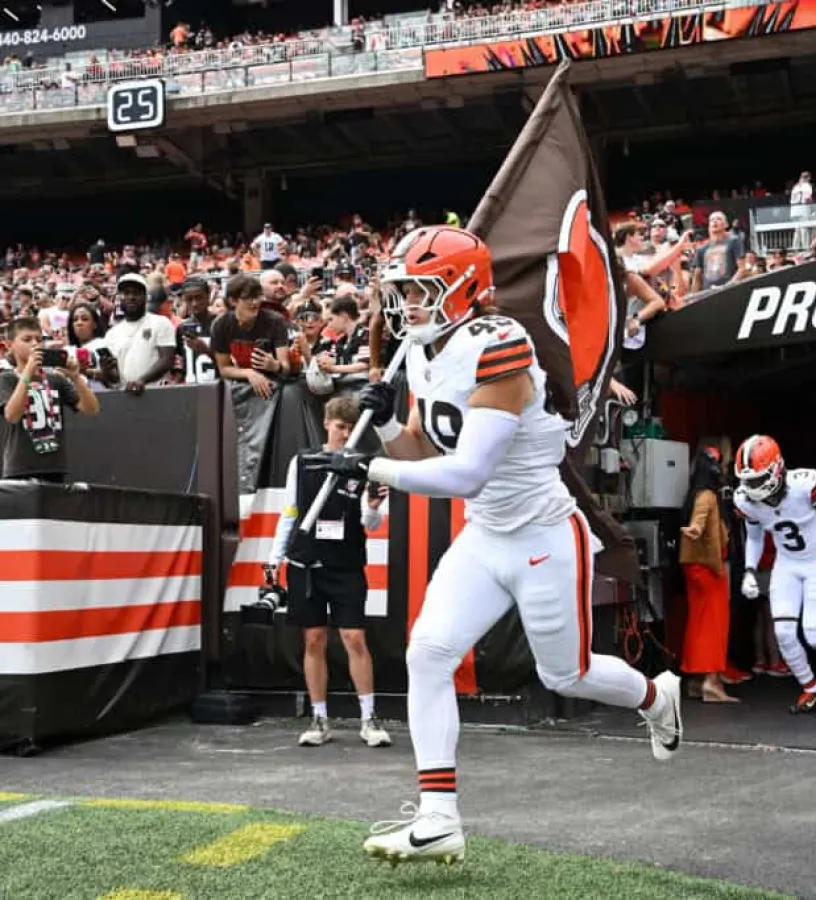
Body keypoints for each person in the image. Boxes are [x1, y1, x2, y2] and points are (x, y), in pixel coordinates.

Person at [305, 226, 682, 867]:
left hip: (540, 533)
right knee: (427, 654)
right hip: (486, 532)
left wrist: (369, 469)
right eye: (405, 291)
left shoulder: (502, 342)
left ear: (464, 288)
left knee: (566, 673)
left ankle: (656, 697)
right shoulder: (425, 352)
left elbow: (466, 472)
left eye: (423, 290)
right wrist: (392, 421)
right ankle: (438, 817)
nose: (410, 304)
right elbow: (425, 450)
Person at [267, 396, 391, 749]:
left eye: (352, 428)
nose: (345, 433)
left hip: (347, 563)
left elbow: (372, 522)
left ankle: (369, 718)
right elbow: (290, 512)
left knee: (354, 638)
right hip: (306, 563)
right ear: (326, 423)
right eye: (340, 426)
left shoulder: (367, 465)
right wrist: (275, 559)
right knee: (313, 639)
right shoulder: (303, 462)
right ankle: (319, 718)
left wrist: (371, 507)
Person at [734, 433, 816, 714]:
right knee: (784, 633)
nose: (753, 487)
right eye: (748, 481)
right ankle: (812, 690)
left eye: (757, 479)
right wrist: (750, 571)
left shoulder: (804, 485)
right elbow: (754, 536)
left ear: (777, 468)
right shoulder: (746, 500)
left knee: (814, 634)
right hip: (787, 564)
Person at [0, 316, 99, 482]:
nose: (34, 344)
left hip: (54, 466)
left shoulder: (55, 379)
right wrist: (27, 374)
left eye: (39, 339)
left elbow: (92, 409)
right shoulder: (6, 378)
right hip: (20, 467)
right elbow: (12, 415)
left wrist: (76, 378)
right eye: (27, 339)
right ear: (10, 345)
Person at [679, 445, 737, 703]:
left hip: (694, 566)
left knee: (697, 624)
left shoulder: (693, 493)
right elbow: (700, 520)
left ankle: (695, 680)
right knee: (714, 626)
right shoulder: (707, 496)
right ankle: (712, 682)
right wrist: (695, 528)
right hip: (709, 568)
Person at [103, 274, 176, 394]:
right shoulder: (111, 334)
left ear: (146, 297)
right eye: (126, 293)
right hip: (125, 397)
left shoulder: (161, 323)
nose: (131, 297)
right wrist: (107, 372)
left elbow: (166, 360)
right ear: (119, 298)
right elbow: (115, 377)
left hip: (156, 394)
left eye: (136, 293)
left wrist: (141, 381)